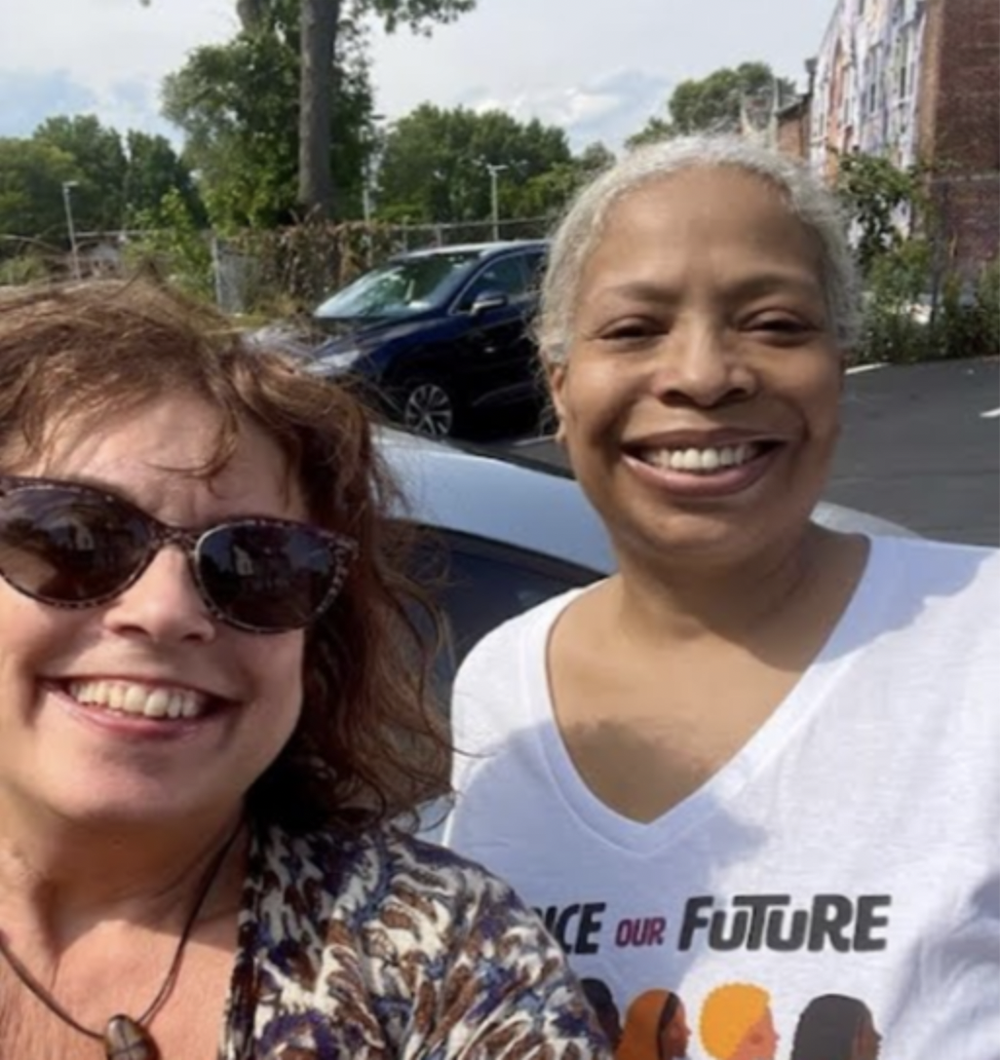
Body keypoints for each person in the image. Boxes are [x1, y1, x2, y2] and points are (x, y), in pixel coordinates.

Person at [441, 134, 999, 1058]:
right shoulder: (500, 688)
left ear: (839, 366)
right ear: (562, 386)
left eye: (775, 323)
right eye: (633, 328)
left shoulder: (979, 640)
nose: (703, 374)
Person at [0, 280, 611, 1059]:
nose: (164, 610)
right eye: (74, 537)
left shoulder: (441, 959)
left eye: (256, 565)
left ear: (315, 643)